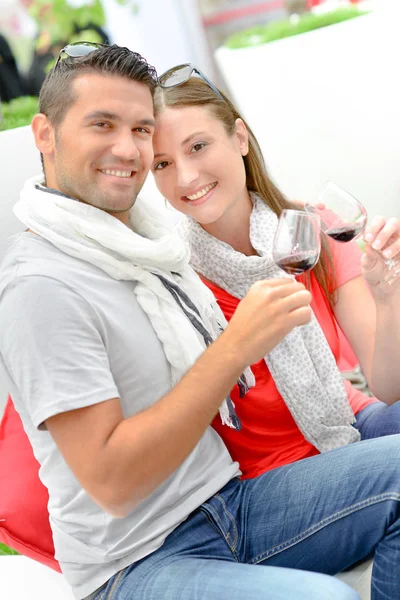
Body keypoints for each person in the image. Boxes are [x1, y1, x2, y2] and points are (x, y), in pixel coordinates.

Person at [0, 43, 399, 600]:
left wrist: (383, 289)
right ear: (44, 134)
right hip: (138, 556)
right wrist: (233, 349)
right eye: (102, 124)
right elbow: (112, 484)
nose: (129, 148)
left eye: (141, 129)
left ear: (239, 138)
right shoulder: (45, 283)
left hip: (227, 505)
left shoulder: (143, 250)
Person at [152, 67, 400, 478]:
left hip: (348, 426)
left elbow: (388, 387)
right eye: (162, 163)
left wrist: (388, 295)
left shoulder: (312, 230)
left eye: (198, 146)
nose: (186, 176)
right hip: (271, 479)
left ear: (240, 138)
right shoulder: (173, 279)